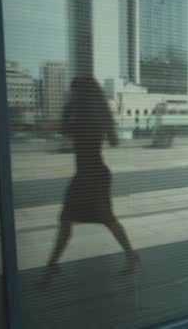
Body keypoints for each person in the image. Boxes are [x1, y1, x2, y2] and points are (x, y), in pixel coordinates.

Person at [39, 77, 139, 288]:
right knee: (71, 220)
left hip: (92, 176)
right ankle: (51, 265)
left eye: (73, 91)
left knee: (96, 219)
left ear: (82, 93)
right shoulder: (92, 114)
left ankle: (51, 267)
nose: (71, 94)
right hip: (89, 174)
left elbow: (66, 133)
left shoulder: (85, 116)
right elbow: (112, 141)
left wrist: (70, 113)